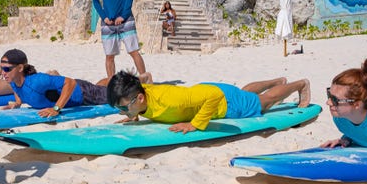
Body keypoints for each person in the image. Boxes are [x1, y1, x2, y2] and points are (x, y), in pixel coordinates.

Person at [107, 71, 311, 133]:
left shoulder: (172, 101)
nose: (122, 111)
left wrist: (195, 124)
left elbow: (212, 97)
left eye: (124, 107)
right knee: (243, 93)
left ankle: (299, 84)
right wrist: (132, 113)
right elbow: (145, 79)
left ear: (140, 98)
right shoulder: (141, 93)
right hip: (203, 91)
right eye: (119, 108)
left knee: (264, 103)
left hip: (221, 101)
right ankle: (276, 80)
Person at [0, 49, 108, 118]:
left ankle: (113, 79)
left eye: (7, 69)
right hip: (79, 92)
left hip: (84, 94)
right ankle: (107, 80)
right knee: (99, 87)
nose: (3, 73)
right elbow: (17, 90)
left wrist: (56, 109)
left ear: (20, 68)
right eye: (1, 68)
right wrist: (18, 103)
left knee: (115, 93)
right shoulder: (13, 80)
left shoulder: (36, 82)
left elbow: (70, 82)